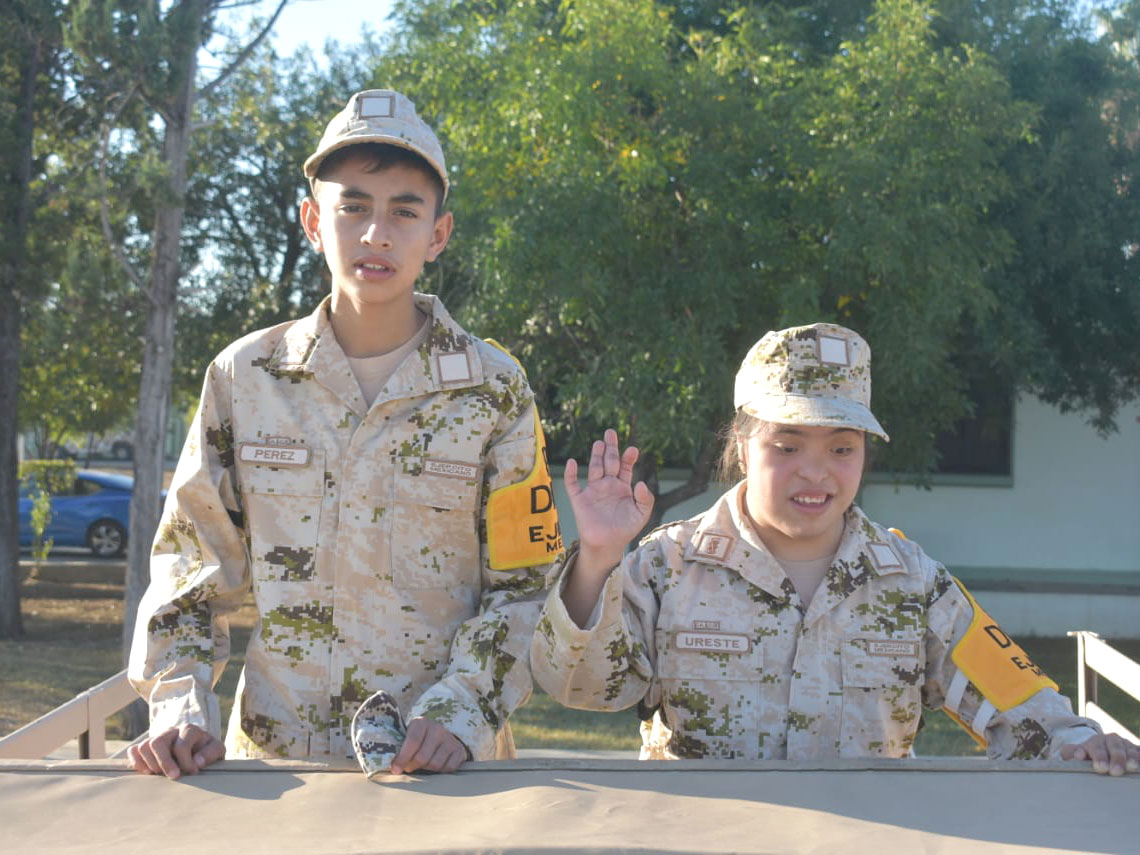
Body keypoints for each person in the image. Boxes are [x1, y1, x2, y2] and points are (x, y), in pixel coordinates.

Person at [127, 89, 563, 779]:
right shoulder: (246, 377)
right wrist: (180, 706)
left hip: (444, 767)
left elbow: (525, 586)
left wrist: (461, 710)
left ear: (439, 234)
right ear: (312, 221)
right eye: (353, 207)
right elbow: (190, 570)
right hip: (279, 766)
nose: (377, 234)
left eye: (404, 211)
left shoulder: (492, 389)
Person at [531, 322, 1139, 775]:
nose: (816, 473)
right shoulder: (668, 567)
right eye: (788, 446)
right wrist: (599, 559)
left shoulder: (912, 583)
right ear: (743, 446)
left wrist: (1081, 743)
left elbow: (1014, 701)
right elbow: (579, 687)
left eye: (842, 449)